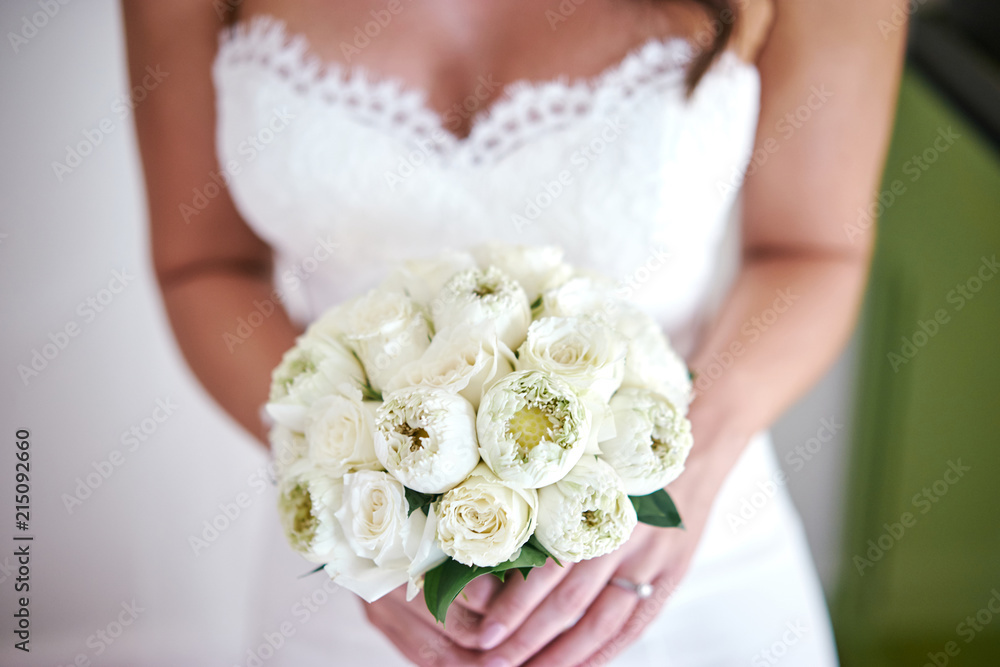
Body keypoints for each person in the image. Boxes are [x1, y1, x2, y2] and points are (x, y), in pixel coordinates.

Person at [122, 0, 905, 664]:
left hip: (676, 550)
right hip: (368, 581)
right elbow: (204, 263)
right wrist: (355, 506)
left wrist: (684, 466)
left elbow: (813, 250)